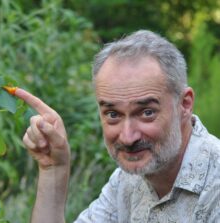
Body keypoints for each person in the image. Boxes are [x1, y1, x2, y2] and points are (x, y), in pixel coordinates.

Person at [14, 30, 220, 223]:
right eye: (113, 115)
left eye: (147, 112)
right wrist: (53, 168)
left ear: (184, 104)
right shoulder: (126, 181)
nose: (128, 137)